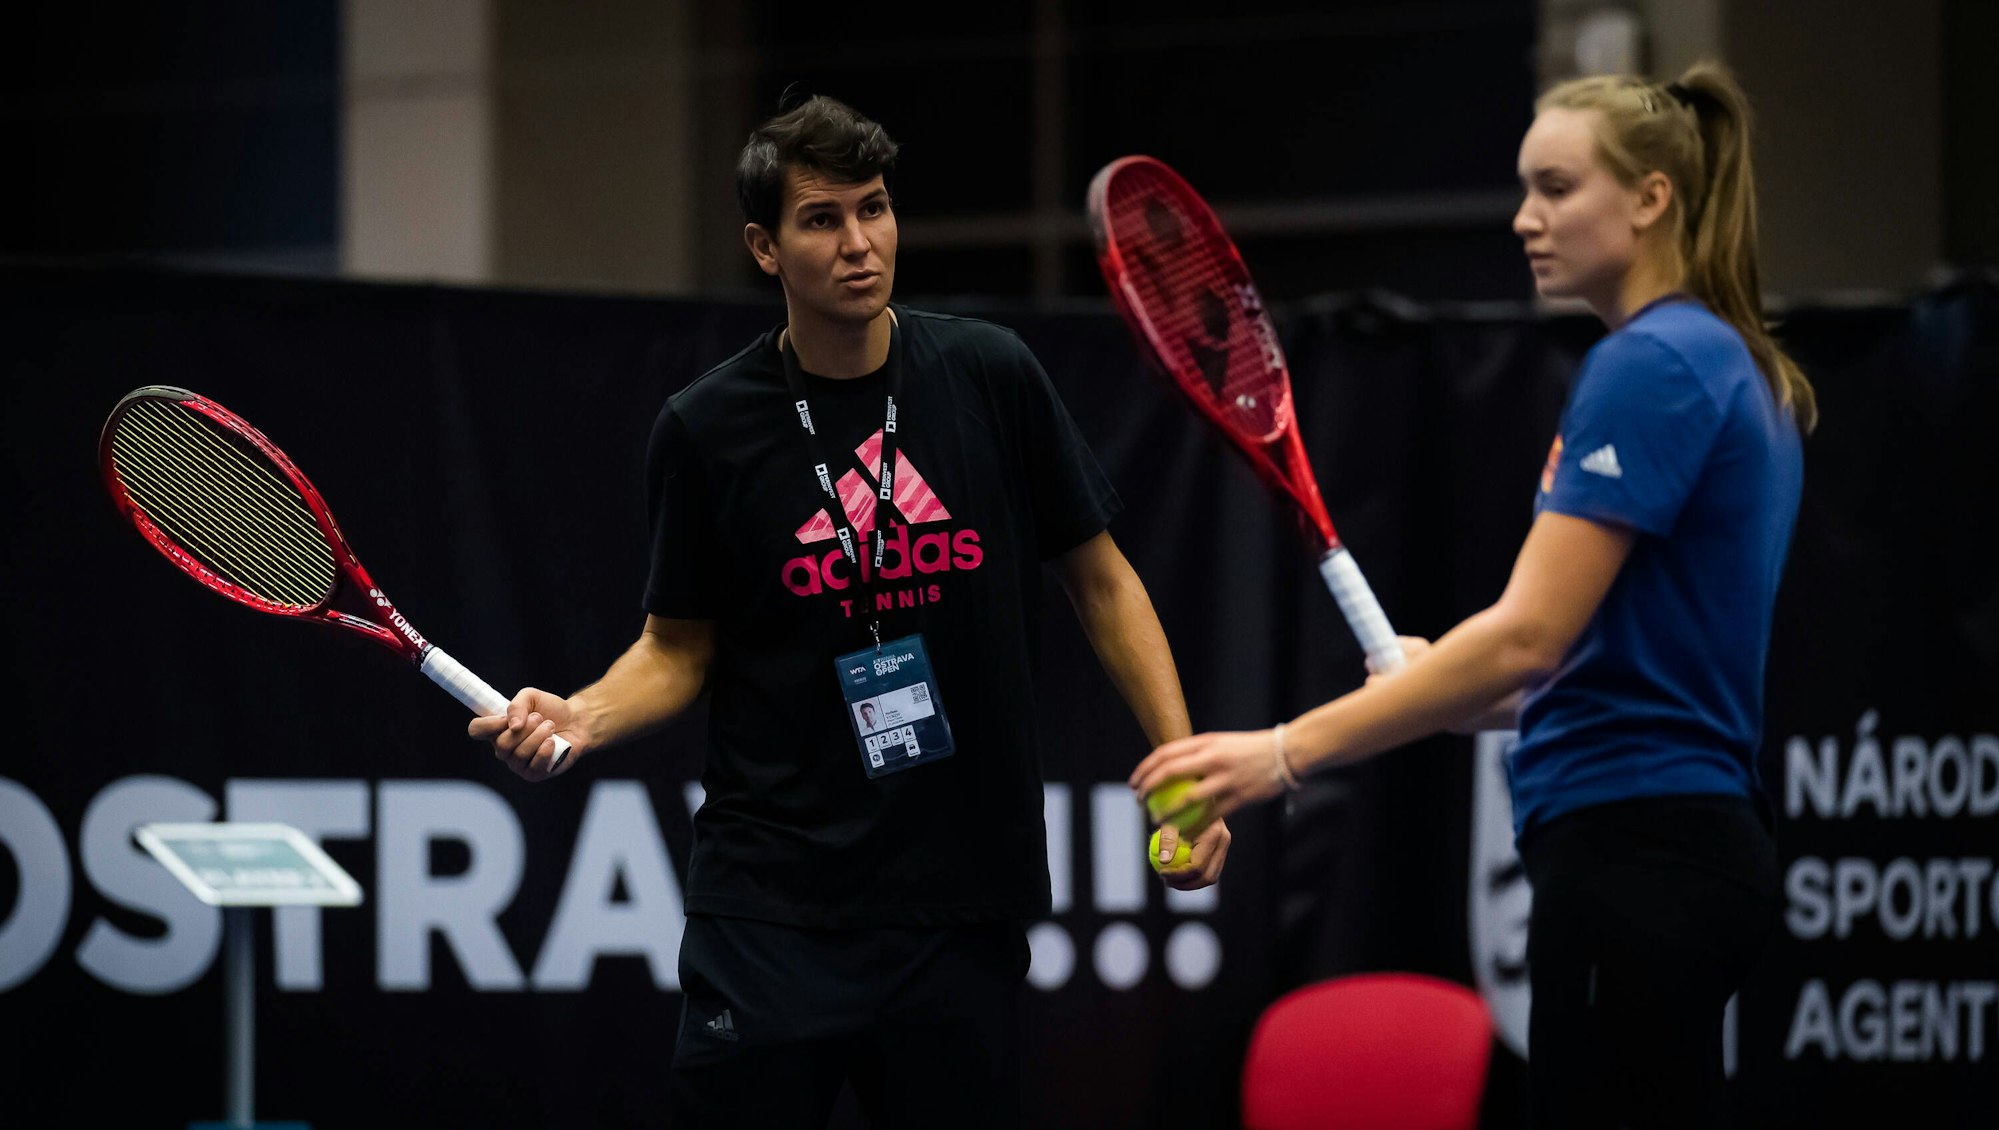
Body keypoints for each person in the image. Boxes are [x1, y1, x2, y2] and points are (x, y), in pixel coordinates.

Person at [471, 94, 1229, 1128]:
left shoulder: (989, 374)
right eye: (821, 219)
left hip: (960, 900)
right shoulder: (705, 429)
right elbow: (676, 646)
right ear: (764, 246)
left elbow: (1102, 581)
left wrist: (1185, 774)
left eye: (873, 208)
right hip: (771, 906)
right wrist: (582, 714)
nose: (859, 243)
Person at [1131, 62, 1812, 1129]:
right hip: (1671, 854)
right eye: (1523, 187)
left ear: (1649, 198)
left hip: (1634, 856)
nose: (1523, 217)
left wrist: (1282, 748)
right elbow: (1600, 663)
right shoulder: (1730, 365)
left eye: (1554, 187)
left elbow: (1528, 638)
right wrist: (1442, 674)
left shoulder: (1654, 364)